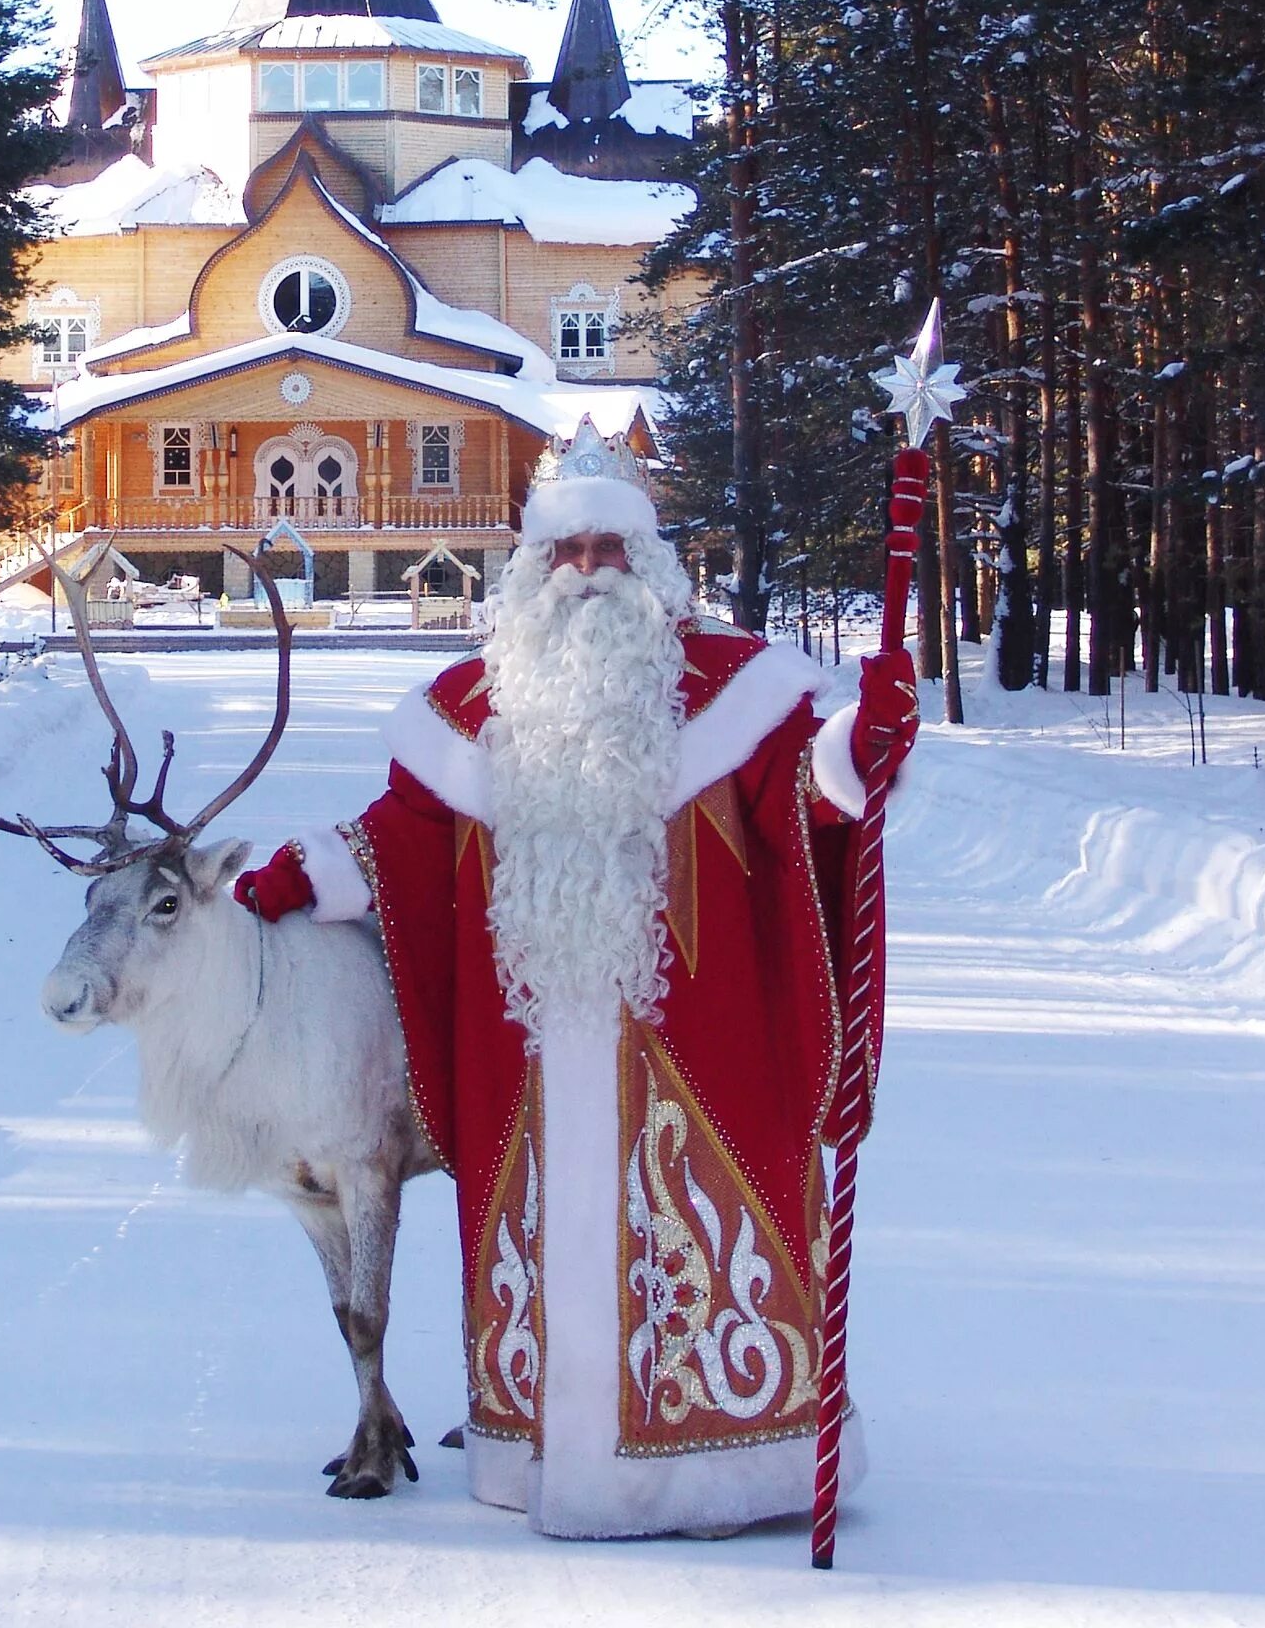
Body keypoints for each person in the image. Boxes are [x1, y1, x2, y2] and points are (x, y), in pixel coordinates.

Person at [234, 418, 918, 1539]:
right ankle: (548, 1445)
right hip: (531, 1055)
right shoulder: (468, 710)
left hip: (695, 1043)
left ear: (649, 563)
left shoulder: (740, 691)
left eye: (609, 550)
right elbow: (405, 837)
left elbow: (805, 798)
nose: (589, 572)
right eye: (567, 552)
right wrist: (304, 872)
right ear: (532, 566)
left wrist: (857, 746)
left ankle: (726, 1462)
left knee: (704, 1227)